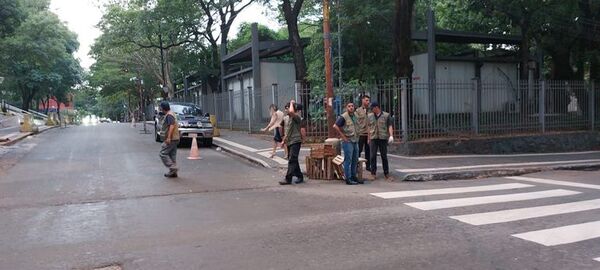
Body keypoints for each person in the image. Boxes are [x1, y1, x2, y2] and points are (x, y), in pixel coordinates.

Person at [333, 102, 362, 185]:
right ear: (346, 108)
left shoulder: (355, 116)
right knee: (348, 160)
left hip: (355, 140)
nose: (351, 108)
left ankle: (354, 176)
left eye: (352, 106)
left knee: (355, 159)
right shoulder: (343, 117)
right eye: (349, 106)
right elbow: (335, 126)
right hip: (348, 141)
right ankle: (348, 178)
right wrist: (343, 137)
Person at [367, 102, 394, 180]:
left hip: (383, 138)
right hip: (373, 137)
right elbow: (369, 127)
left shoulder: (386, 115)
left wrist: (391, 135)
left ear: (376, 107)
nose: (371, 110)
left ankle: (386, 173)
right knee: (372, 156)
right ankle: (373, 173)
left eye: (372, 108)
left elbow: (389, 126)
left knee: (384, 156)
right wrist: (368, 138)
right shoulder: (370, 116)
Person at [280, 100, 304, 185]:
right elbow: (287, 131)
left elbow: (291, 111)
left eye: (288, 108)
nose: (286, 110)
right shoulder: (287, 118)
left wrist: (291, 102)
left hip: (296, 141)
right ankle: (300, 176)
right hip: (289, 141)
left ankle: (288, 179)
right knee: (294, 160)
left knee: (292, 159)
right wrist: (283, 141)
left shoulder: (296, 118)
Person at [158, 101, 180, 178]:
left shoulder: (169, 115)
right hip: (175, 138)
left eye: (160, 107)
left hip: (172, 138)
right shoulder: (171, 113)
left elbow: (171, 126)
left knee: (163, 153)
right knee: (172, 155)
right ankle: (173, 173)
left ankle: (173, 167)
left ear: (163, 108)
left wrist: (169, 137)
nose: (160, 109)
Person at [356, 95, 371, 172]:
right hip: (361, 133)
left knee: (368, 151)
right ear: (362, 101)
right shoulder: (358, 111)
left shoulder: (371, 110)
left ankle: (368, 166)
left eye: (368, 100)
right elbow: (356, 122)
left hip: (369, 133)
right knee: (359, 150)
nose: (367, 102)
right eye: (366, 100)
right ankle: (357, 165)